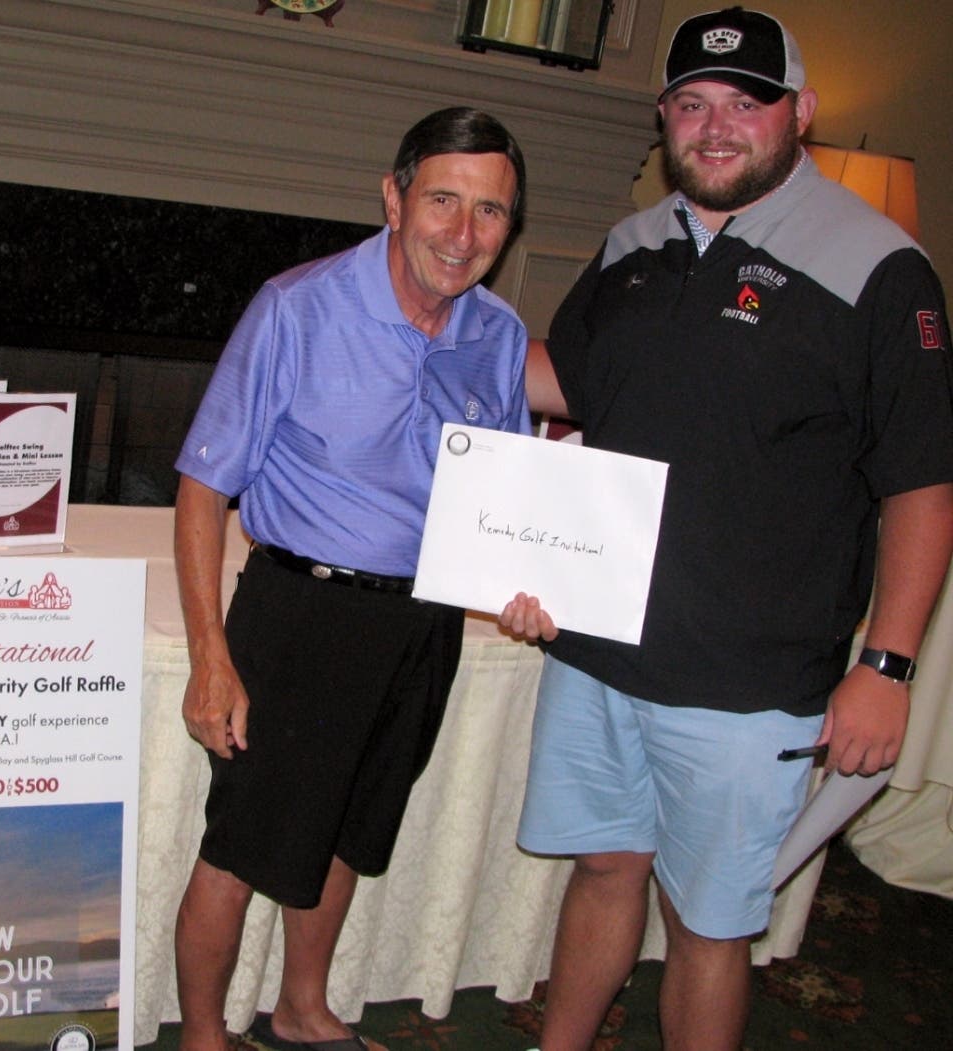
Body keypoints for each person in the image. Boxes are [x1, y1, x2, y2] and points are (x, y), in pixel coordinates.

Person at [500, 8, 953, 1050]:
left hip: (751, 681)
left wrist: (885, 664)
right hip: (601, 649)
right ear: (664, 118)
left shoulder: (881, 267)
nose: (716, 126)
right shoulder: (632, 243)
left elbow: (923, 486)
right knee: (604, 869)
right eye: (693, 104)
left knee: (708, 923)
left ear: (799, 113)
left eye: (746, 103)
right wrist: (421, 329)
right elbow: (569, 384)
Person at [172, 107, 530, 1051]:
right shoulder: (298, 306)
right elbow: (203, 487)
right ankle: (205, 1037)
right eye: (444, 201)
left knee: (346, 831)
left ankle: (301, 1010)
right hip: (299, 612)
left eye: (490, 211)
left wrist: (526, 584)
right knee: (240, 847)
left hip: (422, 624)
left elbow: (509, 496)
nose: (464, 234)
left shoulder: (497, 336)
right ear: (394, 196)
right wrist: (211, 653)